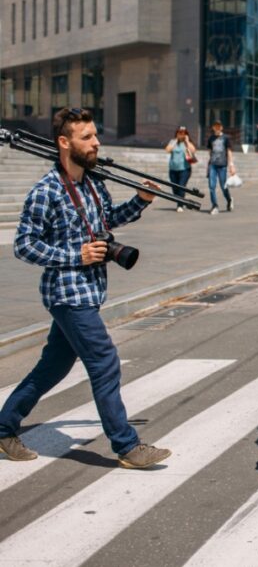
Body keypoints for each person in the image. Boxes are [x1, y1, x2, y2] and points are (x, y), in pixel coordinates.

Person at [0, 107, 171, 469]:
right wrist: (75, 255)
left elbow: (106, 220)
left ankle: (3, 428)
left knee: (52, 368)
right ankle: (127, 446)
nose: (96, 143)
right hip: (66, 293)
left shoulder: (94, 184)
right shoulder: (46, 192)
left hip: (89, 292)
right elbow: (24, 245)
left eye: (95, 135)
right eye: (87, 137)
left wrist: (140, 201)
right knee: (105, 362)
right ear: (64, 142)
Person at [206, 120, 235, 215]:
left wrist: (231, 165)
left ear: (221, 127)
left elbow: (229, 151)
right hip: (213, 165)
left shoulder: (226, 138)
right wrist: (208, 165)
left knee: (223, 186)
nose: (217, 128)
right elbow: (210, 152)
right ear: (213, 128)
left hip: (222, 165)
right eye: (215, 126)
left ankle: (229, 199)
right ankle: (215, 206)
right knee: (211, 186)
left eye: (219, 126)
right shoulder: (211, 138)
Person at [165, 126, 196, 212]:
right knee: (175, 188)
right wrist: (175, 140)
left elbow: (193, 150)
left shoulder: (187, 143)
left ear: (186, 134)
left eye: (184, 133)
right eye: (180, 132)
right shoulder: (173, 142)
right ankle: (181, 200)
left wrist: (187, 141)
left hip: (185, 169)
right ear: (177, 133)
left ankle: (180, 205)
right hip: (173, 169)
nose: (182, 134)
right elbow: (167, 150)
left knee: (181, 186)